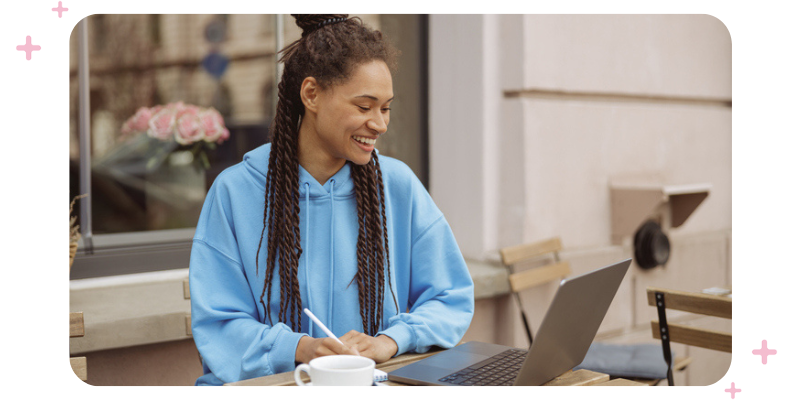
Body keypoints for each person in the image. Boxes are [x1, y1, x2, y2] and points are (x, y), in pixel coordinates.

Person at [189, 14, 474, 386]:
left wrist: (392, 340)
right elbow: (219, 324)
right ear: (311, 94)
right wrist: (298, 348)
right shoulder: (235, 192)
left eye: (385, 108)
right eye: (364, 106)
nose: (380, 123)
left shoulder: (397, 185)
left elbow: (450, 296)